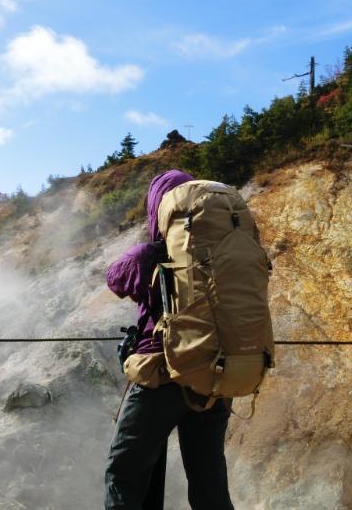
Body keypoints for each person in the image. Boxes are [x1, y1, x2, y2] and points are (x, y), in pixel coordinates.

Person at [104, 169, 235, 510]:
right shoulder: (228, 253)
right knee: (209, 481)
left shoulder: (150, 254)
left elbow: (115, 281)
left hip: (162, 375)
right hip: (216, 375)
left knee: (125, 475)